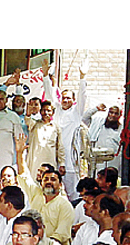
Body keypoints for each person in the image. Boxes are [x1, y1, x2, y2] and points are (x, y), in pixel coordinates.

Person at [15, 133, 74, 245]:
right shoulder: (35, 193)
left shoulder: (65, 205)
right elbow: (23, 174)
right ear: (41, 182)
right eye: (45, 179)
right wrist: (19, 153)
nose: (49, 182)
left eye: (53, 179)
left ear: (60, 185)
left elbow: (60, 235)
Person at [42, 59, 87, 200]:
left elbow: (82, 96)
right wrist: (44, 76)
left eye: (68, 98)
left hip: (71, 161)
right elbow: (50, 94)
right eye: (63, 98)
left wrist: (82, 77)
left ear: (73, 100)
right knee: (55, 193)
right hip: (55, 158)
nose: (65, 100)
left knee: (73, 194)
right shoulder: (56, 110)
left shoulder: (76, 112)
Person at [24, 100, 65, 175]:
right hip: (35, 163)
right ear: (40, 112)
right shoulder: (34, 124)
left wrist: (62, 163)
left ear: (53, 113)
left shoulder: (56, 127)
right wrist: (28, 113)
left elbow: (60, 147)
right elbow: (27, 120)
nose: (46, 113)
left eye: (48, 111)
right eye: (44, 110)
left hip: (50, 161)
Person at [84, 104, 123, 172]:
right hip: (99, 162)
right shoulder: (98, 122)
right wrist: (96, 109)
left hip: (113, 163)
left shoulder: (122, 130)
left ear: (119, 116)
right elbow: (84, 118)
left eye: (116, 113)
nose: (113, 115)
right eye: (111, 112)